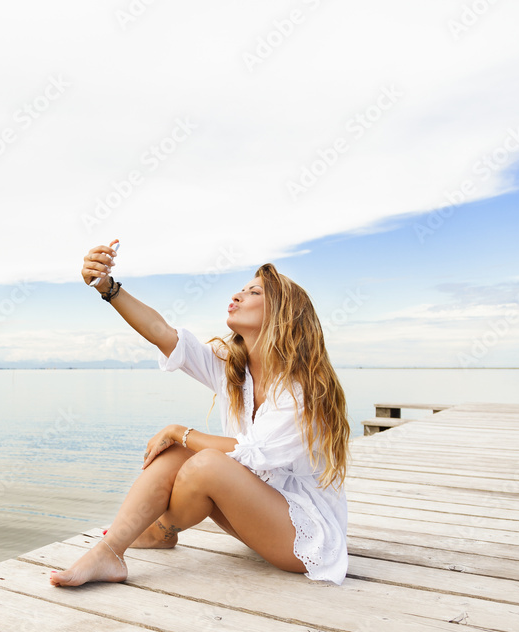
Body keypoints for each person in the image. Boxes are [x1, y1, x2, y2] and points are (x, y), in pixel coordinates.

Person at [49, 239, 351, 587]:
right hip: (260, 513)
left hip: (307, 537)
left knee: (204, 460)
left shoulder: (304, 388)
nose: (237, 296)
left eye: (253, 292)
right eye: (240, 289)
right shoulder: (234, 370)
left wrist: (181, 431)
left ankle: (159, 530)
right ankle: (110, 552)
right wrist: (107, 287)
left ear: (283, 314)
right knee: (180, 455)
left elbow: (254, 452)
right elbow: (164, 334)